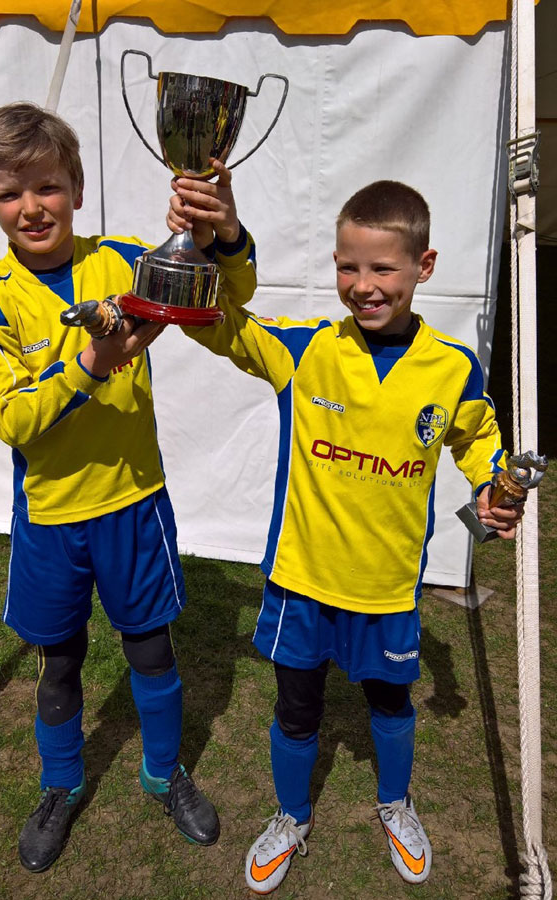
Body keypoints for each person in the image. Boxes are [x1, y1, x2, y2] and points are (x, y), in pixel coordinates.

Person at [168, 172, 523, 892]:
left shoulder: (452, 368)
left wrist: (493, 484)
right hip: (302, 580)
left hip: (388, 585)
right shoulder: (305, 351)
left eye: (381, 267)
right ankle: (291, 815)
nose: (362, 284)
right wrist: (220, 238)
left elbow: (477, 437)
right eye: (346, 266)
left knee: (389, 701)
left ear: (423, 268)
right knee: (296, 707)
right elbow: (215, 323)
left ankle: (394, 804)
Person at [0, 101, 256, 873]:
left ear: (78, 188)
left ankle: (163, 773)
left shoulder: (125, 260)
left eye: (48, 187)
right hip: (52, 516)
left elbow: (225, 301)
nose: (31, 207)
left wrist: (217, 229)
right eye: (8, 193)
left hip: (132, 503)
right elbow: (15, 421)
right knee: (59, 662)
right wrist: (93, 363)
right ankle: (60, 784)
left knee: (150, 650)